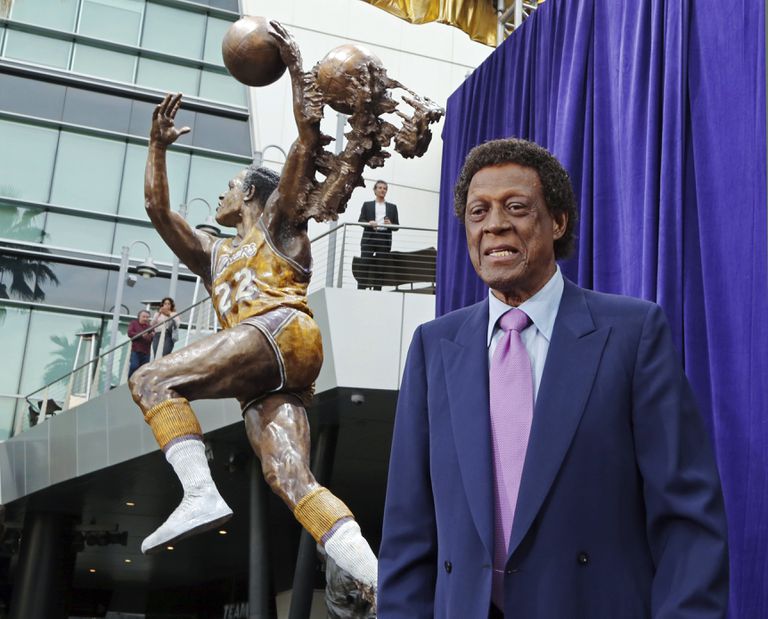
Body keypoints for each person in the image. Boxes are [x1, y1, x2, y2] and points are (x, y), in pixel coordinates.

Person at [378, 138, 729, 618]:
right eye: (478, 212)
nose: (494, 224)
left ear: (557, 222)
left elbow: (687, 520)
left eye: (516, 207)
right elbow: (407, 533)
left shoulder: (632, 334)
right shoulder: (433, 346)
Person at [358, 180, 399, 289]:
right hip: (369, 237)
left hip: (384, 238)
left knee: (380, 268)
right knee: (364, 265)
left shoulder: (392, 207)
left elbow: (397, 226)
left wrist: (390, 224)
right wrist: (369, 223)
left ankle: (377, 292)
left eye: (385, 188)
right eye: (380, 188)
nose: (382, 190)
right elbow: (361, 220)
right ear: (375, 190)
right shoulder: (367, 205)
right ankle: (360, 291)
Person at [127, 310, 153, 378]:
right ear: (139, 317)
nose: (145, 319)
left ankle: (137, 383)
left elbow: (152, 337)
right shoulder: (134, 323)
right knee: (134, 366)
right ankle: (129, 381)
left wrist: (151, 335)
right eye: (143, 317)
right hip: (136, 350)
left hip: (146, 352)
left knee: (143, 371)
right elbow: (130, 333)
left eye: (147, 317)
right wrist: (141, 335)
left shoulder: (149, 326)